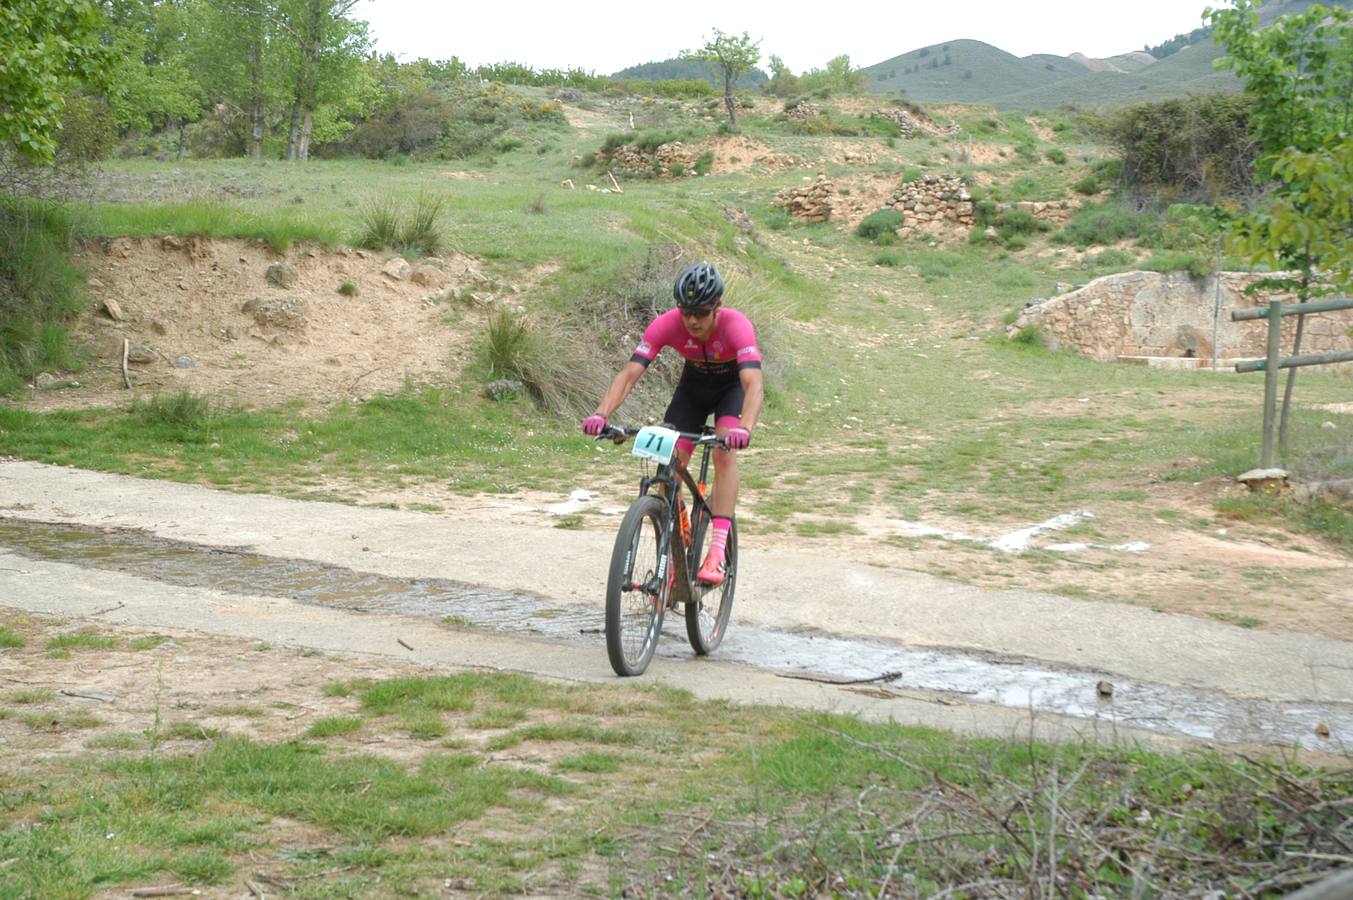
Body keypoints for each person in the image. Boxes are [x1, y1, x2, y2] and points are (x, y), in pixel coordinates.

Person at [582, 261, 763, 586]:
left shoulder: (737, 326)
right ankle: (676, 531)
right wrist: (601, 414)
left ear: (717, 308)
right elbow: (629, 374)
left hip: (730, 390)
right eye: (686, 312)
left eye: (701, 312)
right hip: (692, 390)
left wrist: (745, 427)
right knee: (668, 461)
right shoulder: (665, 325)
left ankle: (717, 552)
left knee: (724, 453)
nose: (692, 320)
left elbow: (752, 384)